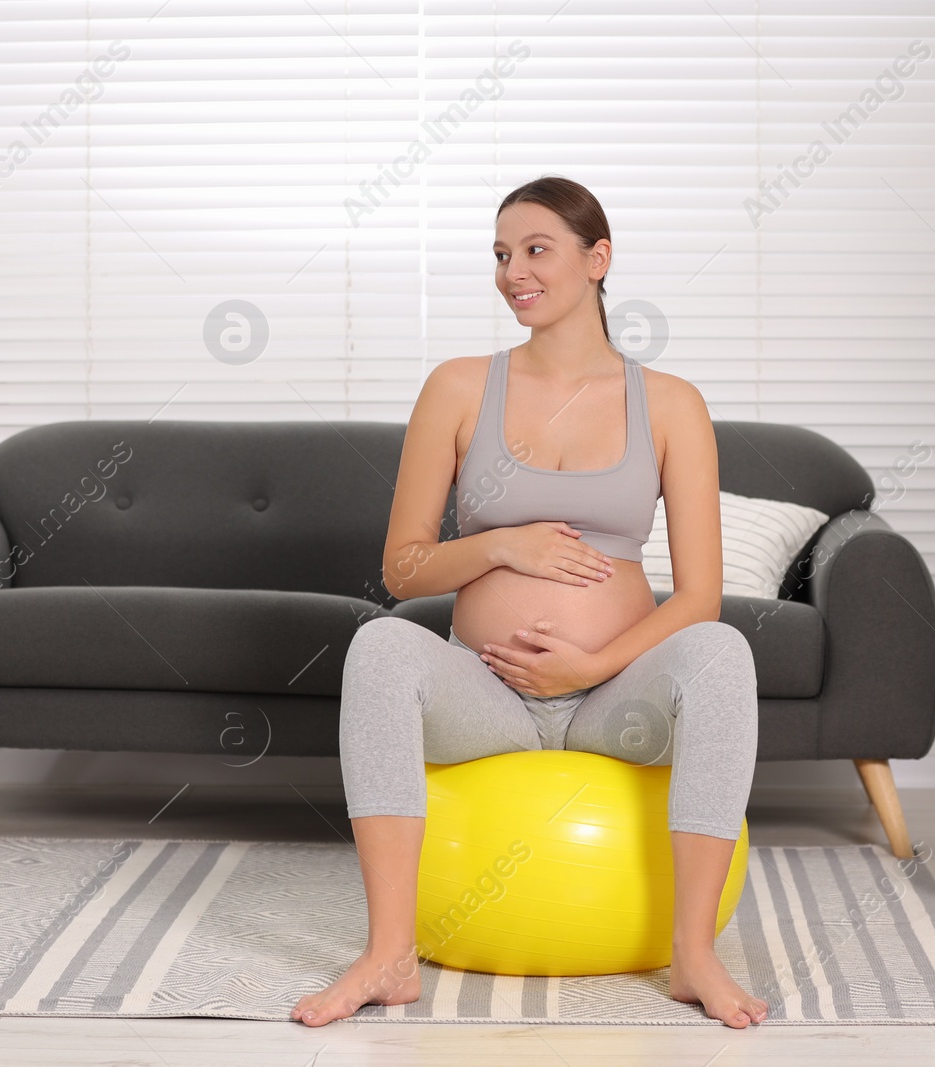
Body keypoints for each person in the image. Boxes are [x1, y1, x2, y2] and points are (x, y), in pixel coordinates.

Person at [291, 176, 765, 1029]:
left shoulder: (671, 404)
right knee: (380, 646)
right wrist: (503, 544)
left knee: (723, 649)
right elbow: (403, 568)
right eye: (502, 255)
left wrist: (589, 664)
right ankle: (389, 956)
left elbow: (700, 594)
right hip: (489, 698)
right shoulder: (460, 387)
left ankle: (693, 952)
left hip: (614, 702)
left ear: (598, 259)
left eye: (536, 249)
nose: (514, 271)